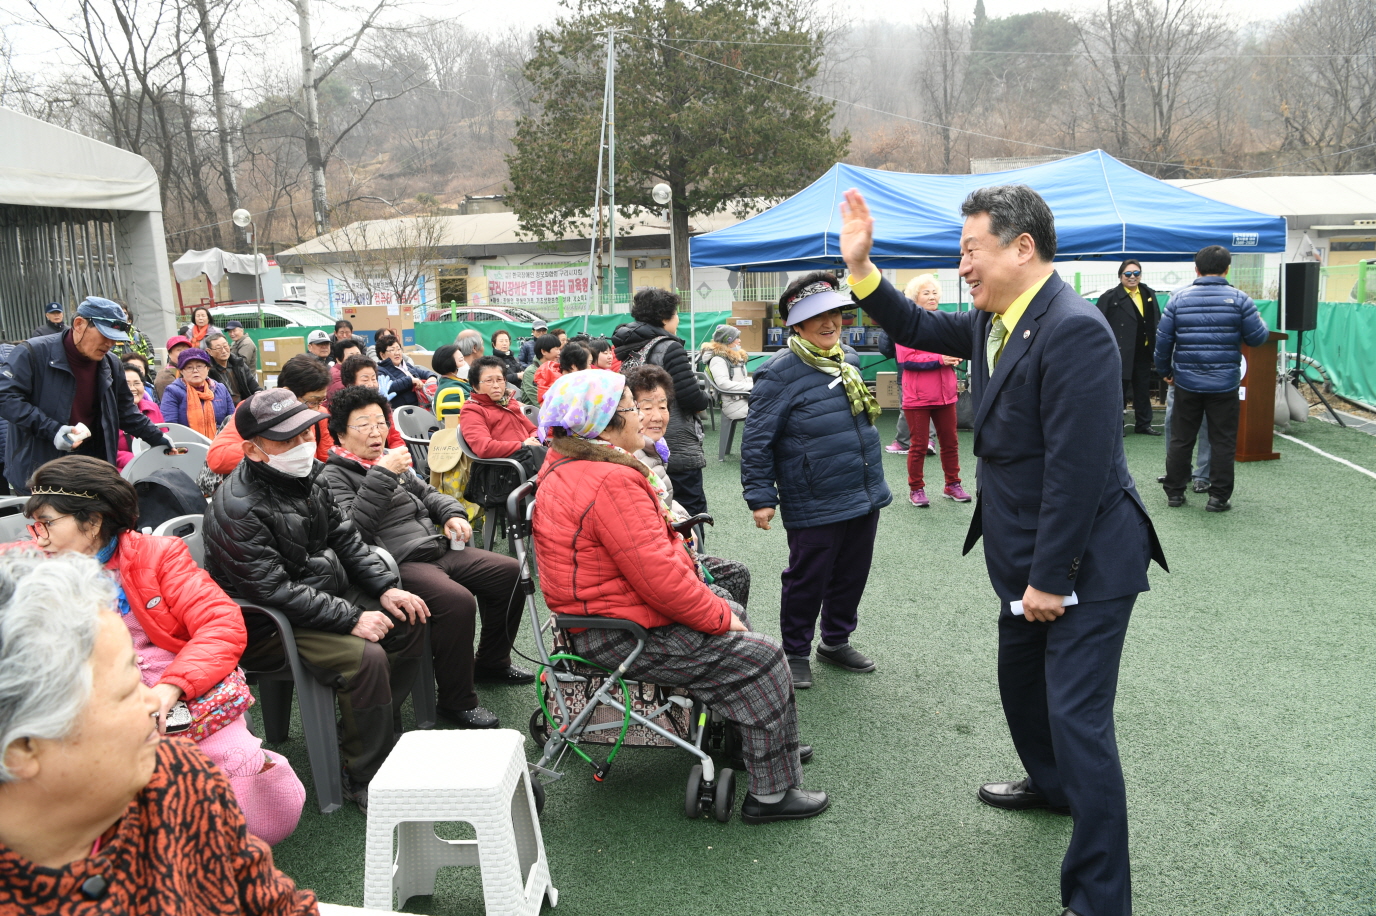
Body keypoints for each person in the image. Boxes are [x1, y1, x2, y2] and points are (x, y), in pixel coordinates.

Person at [841, 184, 1166, 916]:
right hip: (1022, 560)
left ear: (1023, 248)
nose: (963, 266)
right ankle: (1050, 789)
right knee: (1023, 691)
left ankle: (1098, 900)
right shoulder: (997, 319)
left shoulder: (1074, 328)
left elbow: (1080, 472)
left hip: (1083, 564)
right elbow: (915, 321)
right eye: (960, 251)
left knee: (1080, 724)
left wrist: (1051, 580)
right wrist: (861, 270)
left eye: (971, 250)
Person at [532, 370, 828, 824]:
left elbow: (651, 566)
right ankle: (772, 794)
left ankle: (759, 738)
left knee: (729, 581)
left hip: (601, 616)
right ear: (607, 423)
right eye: (633, 407)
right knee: (764, 656)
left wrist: (710, 596)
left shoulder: (570, 461)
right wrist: (717, 615)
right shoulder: (609, 478)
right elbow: (660, 581)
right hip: (616, 632)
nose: (643, 416)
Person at [0, 550, 318, 912]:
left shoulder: (176, 777)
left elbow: (268, 901)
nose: (152, 703)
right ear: (22, 748)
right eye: (126, 691)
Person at [21, 456, 306, 843]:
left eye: (48, 523)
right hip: (89, 707)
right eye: (34, 525)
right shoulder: (30, 568)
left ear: (93, 522)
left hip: (181, 699)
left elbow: (220, 624)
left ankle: (223, 855)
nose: (39, 536)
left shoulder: (156, 555)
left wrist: (171, 688)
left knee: (246, 782)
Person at [203, 389, 430, 811]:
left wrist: (384, 587)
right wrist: (351, 618)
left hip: (318, 599)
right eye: (286, 440)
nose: (303, 445)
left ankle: (371, 731)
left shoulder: (307, 476)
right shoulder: (239, 506)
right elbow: (271, 590)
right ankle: (363, 774)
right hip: (271, 624)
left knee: (410, 618)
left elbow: (345, 536)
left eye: (306, 432)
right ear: (253, 450)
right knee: (366, 657)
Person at [320, 385, 533, 728]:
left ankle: (492, 662)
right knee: (458, 602)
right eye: (363, 425)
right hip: (396, 562)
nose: (375, 432)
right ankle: (456, 702)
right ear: (341, 433)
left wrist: (453, 515)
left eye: (379, 421)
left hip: (435, 547)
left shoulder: (392, 460)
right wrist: (383, 475)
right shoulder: (333, 476)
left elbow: (431, 494)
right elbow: (353, 533)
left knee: (509, 572)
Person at [740, 273, 891, 690]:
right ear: (796, 324)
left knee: (852, 572)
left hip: (861, 490)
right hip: (813, 496)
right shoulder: (778, 374)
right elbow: (757, 441)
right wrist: (760, 496)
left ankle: (836, 640)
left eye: (836, 313)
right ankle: (795, 651)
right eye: (818, 317)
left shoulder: (849, 360)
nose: (831, 323)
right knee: (809, 576)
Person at [0, 297, 173, 493]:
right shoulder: (33, 353)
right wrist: (52, 429)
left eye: (115, 338)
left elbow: (125, 411)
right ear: (79, 324)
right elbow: (6, 397)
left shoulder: (110, 363)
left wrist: (157, 437)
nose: (110, 343)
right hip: (41, 468)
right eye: (104, 335)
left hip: (92, 467)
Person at [625, 364, 751, 607]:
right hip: (654, 569)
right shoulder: (629, 456)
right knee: (726, 597)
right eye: (646, 407)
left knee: (737, 574)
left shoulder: (653, 449)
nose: (657, 415)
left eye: (663, 406)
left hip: (668, 552)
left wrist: (677, 515)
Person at [1155, 246, 1270, 513]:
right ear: (1228, 269)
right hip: (1224, 384)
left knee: (1181, 439)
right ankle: (1217, 497)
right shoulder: (1241, 299)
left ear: (1196, 269)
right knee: (1222, 441)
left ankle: (1174, 492)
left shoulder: (1178, 299)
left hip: (1186, 382)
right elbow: (1257, 338)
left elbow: (1163, 341)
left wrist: (1165, 372)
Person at [612, 288, 712, 517]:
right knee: (690, 510)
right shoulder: (669, 347)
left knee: (654, 509)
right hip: (674, 443)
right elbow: (691, 397)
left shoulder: (629, 346)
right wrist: (704, 399)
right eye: (676, 313)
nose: (677, 319)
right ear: (665, 317)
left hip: (639, 439)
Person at [895, 274, 969, 508]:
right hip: (917, 397)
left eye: (934, 292)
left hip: (946, 394)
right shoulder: (905, 324)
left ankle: (952, 484)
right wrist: (940, 358)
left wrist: (956, 355)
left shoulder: (945, 321)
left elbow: (956, 348)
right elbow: (906, 359)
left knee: (951, 442)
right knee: (918, 445)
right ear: (915, 298)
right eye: (926, 293)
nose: (932, 296)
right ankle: (916, 489)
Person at [208, 354, 336, 473]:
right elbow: (217, 459)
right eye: (312, 401)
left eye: (321, 400)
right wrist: (272, 451)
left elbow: (326, 460)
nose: (317, 408)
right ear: (287, 393)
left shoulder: (319, 415)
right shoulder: (256, 410)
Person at [1097, 260, 1162, 436]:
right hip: (1120, 352)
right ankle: (1117, 426)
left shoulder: (1148, 293)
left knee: (1142, 389)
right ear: (1120, 276)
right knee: (1119, 390)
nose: (1132, 277)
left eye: (1136, 273)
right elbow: (1098, 324)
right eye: (1128, 274)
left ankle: (1144, 424)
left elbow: (1156, 319)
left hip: (1143, 351)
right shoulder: (1109, 298)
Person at [460, 356, 544, 461]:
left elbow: (532, 429)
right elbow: (484, 448)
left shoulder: (508, 402)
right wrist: (522, 445)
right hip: (505, 467)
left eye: (500, 379)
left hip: (528, 455)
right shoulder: (472, 410)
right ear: (475, 386)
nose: (496, 385)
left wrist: (534, 440)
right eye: (489, 381)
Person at [159, 348, 234, 440]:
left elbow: (232, 420)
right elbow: (170, 426)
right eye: (189, 367)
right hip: (187, 446)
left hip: (220, 443)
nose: (195, 371)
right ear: (182, 371)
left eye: (199, 366)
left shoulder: (220, 388)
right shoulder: (173, 391)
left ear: (208, 368)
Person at [700, 325, 753, 422]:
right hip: (733, 404)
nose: (739, 340)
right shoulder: (718, 359)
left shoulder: (733, 358)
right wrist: (751, 386)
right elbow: (723, 384)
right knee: (772, 409)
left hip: (743, 400)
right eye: (736, 338)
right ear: (728, 341)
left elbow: (740, 379)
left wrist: (758, 380)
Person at [116, 365, 165, 470]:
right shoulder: (108, 412)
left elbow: (164, 435)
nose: (132, 388)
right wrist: (136, 460)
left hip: (155, 467)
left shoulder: (153, 407)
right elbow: (105, 449)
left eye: (137, 383)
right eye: (126, 384)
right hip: (121, 471)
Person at [375, 332, 436, 409]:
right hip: (405, 412)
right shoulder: (380, 371)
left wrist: (431, 377)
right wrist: (410, 380)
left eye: (398, 349)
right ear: (382, 355)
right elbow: (390, 387)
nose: (397, 353)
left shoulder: (407, 366)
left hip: (422, 406)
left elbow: (426, 373)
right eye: (392, 350)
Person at [204, 332, 260, 406]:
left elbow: (254, 387)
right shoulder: (207, 370)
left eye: (225, 346)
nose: (224, 351)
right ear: (209, 351)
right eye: (218, 348)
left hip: (244, 406)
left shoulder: (239, 364)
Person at [521, 334, 561, 405]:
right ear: (544, 351)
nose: (559, 352)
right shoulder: (531, 372)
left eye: (559, 349)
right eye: (556, 349)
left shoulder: (557, 368)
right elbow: (538, 400)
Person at [154, 335, 193, 400]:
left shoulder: (194, 369)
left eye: (186, 349)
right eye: (179, 350)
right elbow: (168, 401)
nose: (183, 353)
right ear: (169, 353)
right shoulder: (165, 375)